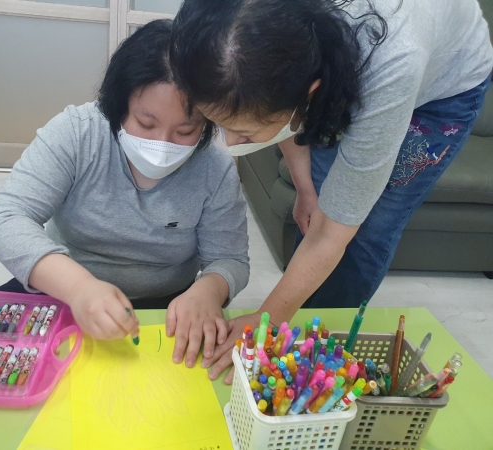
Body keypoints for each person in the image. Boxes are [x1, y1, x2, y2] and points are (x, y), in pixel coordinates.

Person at [170, 0, 493, 383]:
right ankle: (297, 317)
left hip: (442, 87)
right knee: (320, 207)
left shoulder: (393, 63)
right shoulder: (260, 38)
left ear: (310, 90)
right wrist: (305, 188)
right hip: (327, 71)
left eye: (243, 133)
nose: (229, 142)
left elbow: (331, 233)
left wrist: (267, 321)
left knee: (366, 228)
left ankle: (314, 349)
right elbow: (281, 108)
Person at [0, 20, 249, 368]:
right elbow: (4, 218)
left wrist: (208, 290)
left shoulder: (215, 168)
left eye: (185, 131)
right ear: (118, 105)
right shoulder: (78, 133)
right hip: (61, 290)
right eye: (146, 124)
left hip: (164, 306)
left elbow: (230, 259)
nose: (162, 145)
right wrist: (79, 288)